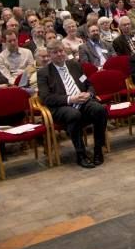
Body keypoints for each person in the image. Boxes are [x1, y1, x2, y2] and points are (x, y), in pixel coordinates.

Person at [37, 40, 108, 168]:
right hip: (62, 107)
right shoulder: (44, 73)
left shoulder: (74, 65)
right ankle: (81, 154)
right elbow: (46, 98)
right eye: (55, 52)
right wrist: (70, 99)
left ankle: (98, 149)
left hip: (82, 101)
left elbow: (88, 84)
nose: (59, 54)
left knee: (100, 110)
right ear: (49, 55)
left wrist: (89, 94)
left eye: (61, 51)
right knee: (73, 114)